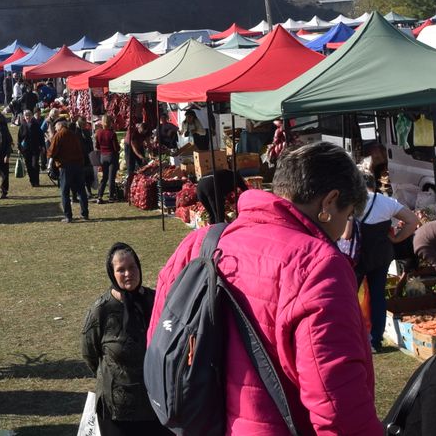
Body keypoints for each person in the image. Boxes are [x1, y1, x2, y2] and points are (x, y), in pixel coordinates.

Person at [150, 141, 382, 435]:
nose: (344, 229)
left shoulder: (200, 243)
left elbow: (158, 341)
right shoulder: (318, 266)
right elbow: (337, 408)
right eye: (347, 216)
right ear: (328, 202)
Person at [81, 244, 170, 436]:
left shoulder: (155, 300)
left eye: (133, 267)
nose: (128, 273)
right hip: (118, 410)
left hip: (156, 402)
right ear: (111, 273)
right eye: (121, 269)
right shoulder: (101, 310)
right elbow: (90, 354)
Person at [344, 173, 419, 350]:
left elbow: (346, 235)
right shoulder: (387, 201)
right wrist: (397, 239)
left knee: (349, 296)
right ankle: (375, 340)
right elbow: (413, 221)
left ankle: (350, 337)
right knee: (378, 296)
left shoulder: (351, 202)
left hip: (357, 256)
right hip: (381, 255)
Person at [48, 118, 88, 223]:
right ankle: (85, 213)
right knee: (81, 190)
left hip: (66, 167)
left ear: (59, 125)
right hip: (78, 165)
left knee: (65, 191)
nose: (55, 128)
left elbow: (51, 153)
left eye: (56, 126)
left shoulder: (59, 135)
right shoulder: (73, 134)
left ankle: (68, 216)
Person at [94, 116, 120, 204]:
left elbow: (97, 146)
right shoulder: (112, 134)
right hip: (111, 156)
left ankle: (99, 196)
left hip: (103, 156)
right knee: (111, 178)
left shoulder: (98, 133)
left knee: (104, 177)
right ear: (110, 122)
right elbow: (116, 148)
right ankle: (111, 196)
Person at [17, 109, 45, 187]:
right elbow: (19, 137)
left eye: (29, 115)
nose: (27, 117)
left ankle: (37, 181)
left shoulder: (35, 124)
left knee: (35, 164)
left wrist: (42, 146)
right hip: (26, 149)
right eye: (26, 116)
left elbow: (41, 136)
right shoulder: (22, 125)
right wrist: (19, 147)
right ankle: (32, 180)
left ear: (31, 116)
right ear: (24, 117)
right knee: (28, 165)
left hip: (35, 148)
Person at [122, 122, 147, 195]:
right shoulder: (132, 132)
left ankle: (142, 185)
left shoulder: (145, 132)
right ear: (139, 128)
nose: (142, 134)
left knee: (144, 166)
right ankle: (127, 190)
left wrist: (151, 152)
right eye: (141, 132)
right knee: (130, 168)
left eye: (144, 133)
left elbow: (148, 141)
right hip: (129, 147)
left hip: (139, 145)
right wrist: (141, 157)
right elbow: (134, 149)